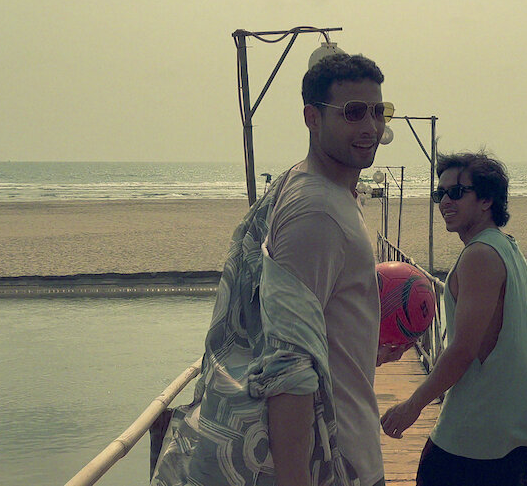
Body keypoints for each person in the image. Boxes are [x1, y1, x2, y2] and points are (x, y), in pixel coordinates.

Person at [151, 53, 397, 486]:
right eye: (354, 112)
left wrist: (362, 348)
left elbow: (302, 318)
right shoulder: (317, 212)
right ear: (312, 118)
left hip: (346, 442)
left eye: (379, 111)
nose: (370, 126)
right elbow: (288, 365)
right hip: (336, 460)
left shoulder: (315, 187)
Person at [380, 152, 527, 486]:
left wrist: (412, 406)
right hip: (510, 434)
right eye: (440, 194)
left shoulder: (479, 255)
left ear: (487, 200)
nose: (445, 201)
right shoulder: (507, 248)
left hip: (475, 435)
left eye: (457, 192)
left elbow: (463, 349)